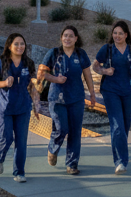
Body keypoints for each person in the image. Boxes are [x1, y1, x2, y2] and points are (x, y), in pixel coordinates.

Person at [40, 25, 96, 175]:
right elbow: (42, 73)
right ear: (61, 37)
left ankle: (72, 164)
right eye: (65, 35)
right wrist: (56, 79)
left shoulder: (81, 54)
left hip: (76, 98)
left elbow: (88, 75)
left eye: (71, 36)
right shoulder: (53, 53)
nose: (67, 38)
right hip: (57, 98)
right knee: (61, 128)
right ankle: (53, 148)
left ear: (76, 39)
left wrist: (92, 93)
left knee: (75, 132)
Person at [93, 20, 131, 175]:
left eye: (120, 33)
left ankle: (119, 157)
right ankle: (121, 162)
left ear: (126, 35)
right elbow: (95, 65)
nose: (117, 36)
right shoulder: (107, 49)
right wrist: (104, 71)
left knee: (124, 126)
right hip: (110, 91)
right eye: (115, 33)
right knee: (117, 126)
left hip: (129, 91)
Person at [0, 33, 40, 183]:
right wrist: (4, 83)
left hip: (23, 107)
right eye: (16, 44)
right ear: (9, 46)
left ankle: (19, 172)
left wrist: (36, 105)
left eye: (22, 44)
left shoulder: (28, 63)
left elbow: (32, 86)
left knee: (21, 141)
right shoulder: (1, 62)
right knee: (7, 137)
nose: (19, 47)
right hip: (5, 107)